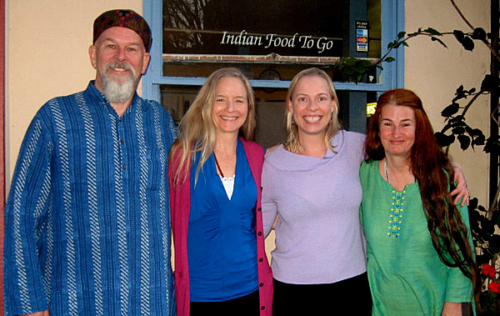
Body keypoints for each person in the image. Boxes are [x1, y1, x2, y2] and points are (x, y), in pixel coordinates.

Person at [4, 10, 177, 316]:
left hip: (150, 302)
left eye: (132, 49)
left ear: (145, 62)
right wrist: (29, 304)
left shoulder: (162, 123)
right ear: (93, 55)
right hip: (73, 301)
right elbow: (21, 214)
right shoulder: (55, 118)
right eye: (111, 46)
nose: (121, 57)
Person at [261, 67, 372, 315]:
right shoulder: (271, 163)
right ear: (291, 106)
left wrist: (451, 167)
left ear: (333, 104)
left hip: (352, 286)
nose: (312, 108)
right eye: (303, 99)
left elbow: (406, 156)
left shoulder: (356, 146)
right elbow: (256, 229)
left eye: (321, 98)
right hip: (294, 291)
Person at [360, 89, 479, 315]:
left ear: (419, 128)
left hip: (436, 308)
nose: (396, 133)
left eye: (405, 124)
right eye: (387, 124)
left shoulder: (444, 180)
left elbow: (462, 254)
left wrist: (453, 306)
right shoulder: (363, 176)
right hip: (381, 310)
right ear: (377, 128)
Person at [169, 67, 273, 316]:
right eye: (221, 100)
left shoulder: (258, 156)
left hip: (251, 291)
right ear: (207, 104)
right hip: (200, 296)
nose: (230, 108)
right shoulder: (182, 156)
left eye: (239, 100)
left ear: (248, 107)